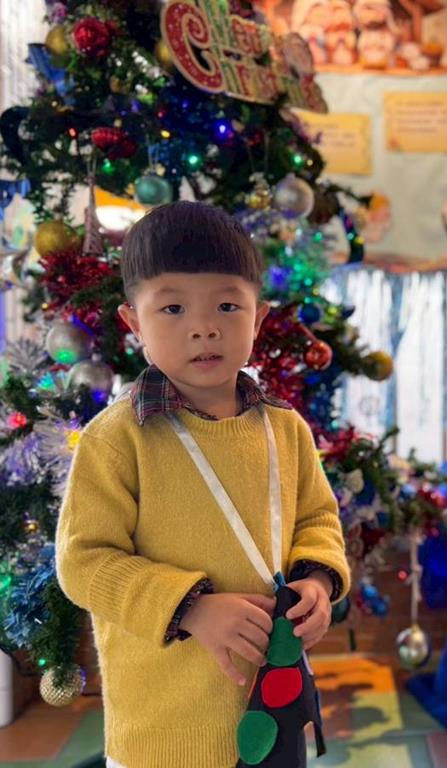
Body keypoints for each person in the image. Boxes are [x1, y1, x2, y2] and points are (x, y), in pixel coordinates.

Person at [55, 201, 350, 768]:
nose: (204, 327)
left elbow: (318, 519)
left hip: (274, 712)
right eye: (172, 307)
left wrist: (317, 580)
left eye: (227, 305)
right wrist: (189, 608)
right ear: (133, 323)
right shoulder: (117, 440)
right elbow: (83, 562)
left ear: (258, 318)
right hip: (162, 735)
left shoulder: (284, 428)